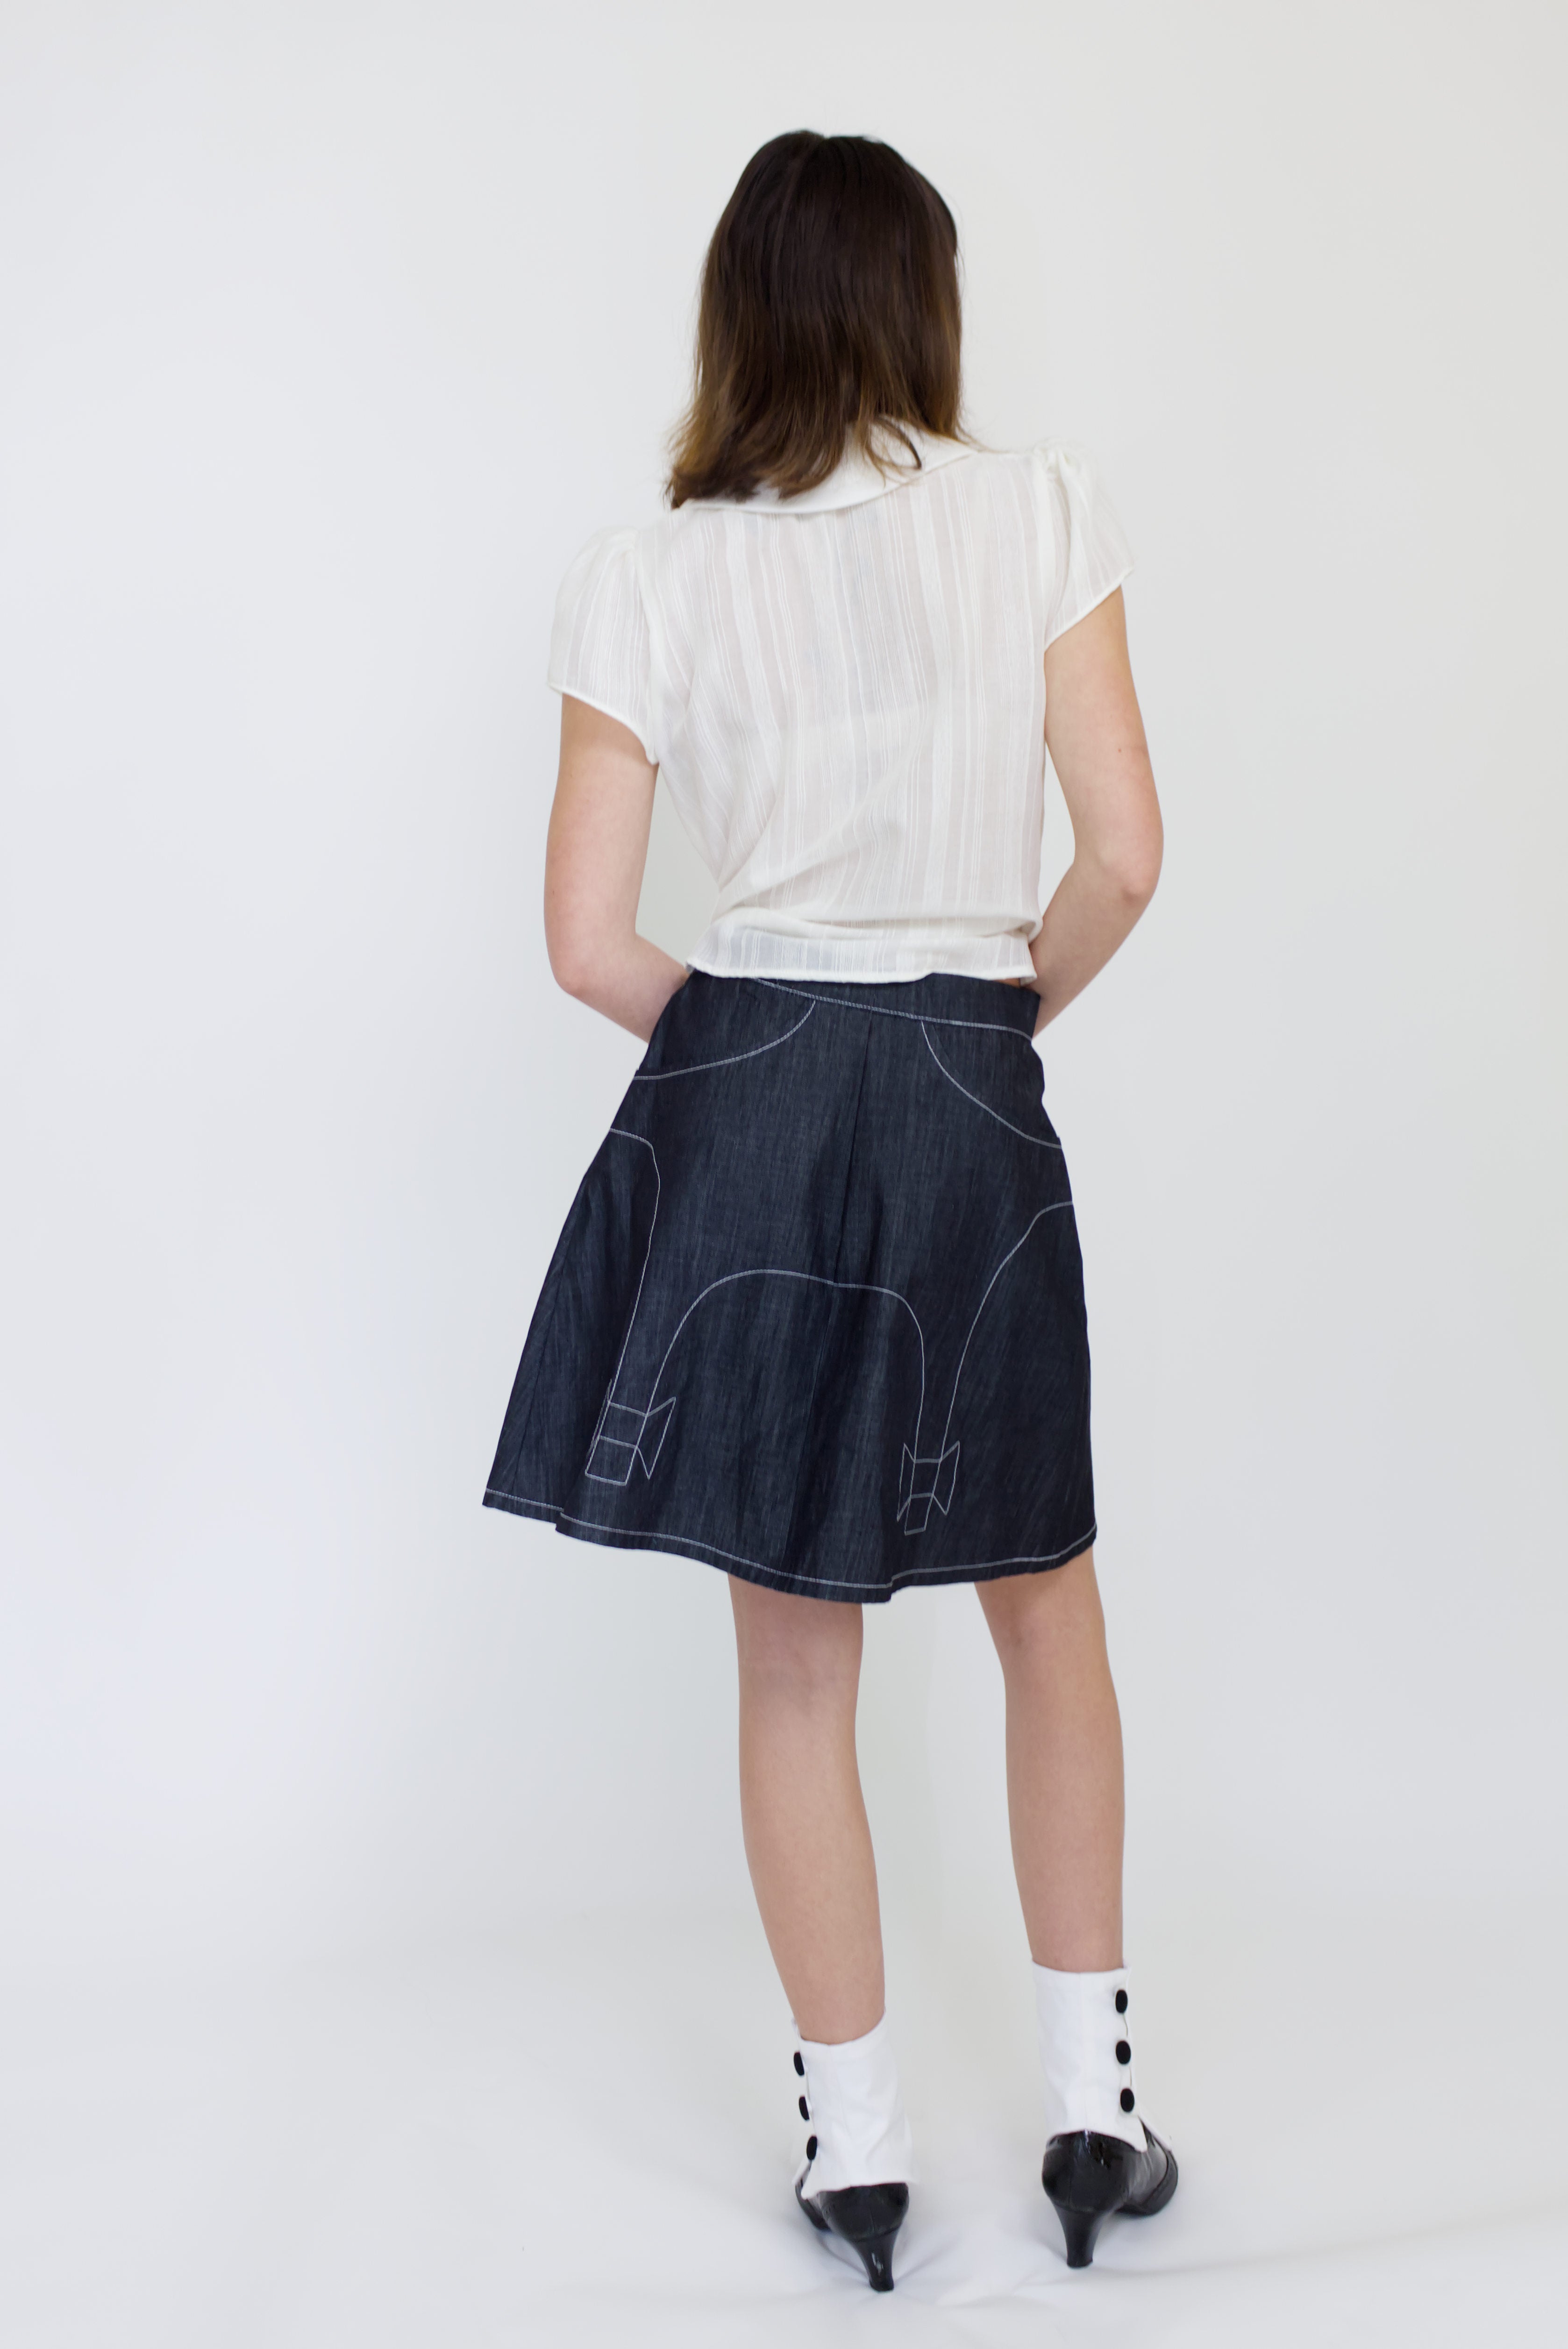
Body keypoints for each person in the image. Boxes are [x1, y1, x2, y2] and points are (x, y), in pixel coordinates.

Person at [484, 130, 1176, 2289]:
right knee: (1041, 1601)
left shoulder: (650, 568)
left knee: (796, 1662)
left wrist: (771, 1051)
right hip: (974, 1072)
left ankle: (857, 2165)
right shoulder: (1037, 512)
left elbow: (590, 942)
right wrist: (982, 1022)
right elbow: (1129, 857)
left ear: (739, 314)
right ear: (919, 304)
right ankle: (1091, 2119)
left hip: (751, 1072)